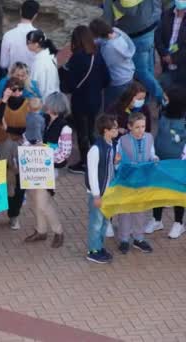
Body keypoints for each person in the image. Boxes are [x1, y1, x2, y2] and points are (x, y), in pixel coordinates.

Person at [23, 93, 72, 248]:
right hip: (36, 167)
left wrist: (44, 153)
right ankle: (41, 230)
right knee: (34, 198)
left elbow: (65, 152)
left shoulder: (65, 128)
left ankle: (58, 231)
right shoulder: (43, 119)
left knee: (43, 202)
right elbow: (30, 137)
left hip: (49, 169)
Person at [60, 26, 110, 174]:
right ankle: (98, 159)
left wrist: (62, 72)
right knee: (93, 132)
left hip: (81, 101)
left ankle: (84, 163)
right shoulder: (97, 54)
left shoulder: (77, 58)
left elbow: (68, 86)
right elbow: (107, 79)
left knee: (82, 133)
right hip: (95, 100)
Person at [103, 0, 165, 104]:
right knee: (148, 67)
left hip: (135, 36)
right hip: (150, 27)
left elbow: (108, 21)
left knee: (141, 72)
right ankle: (148, 99)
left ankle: (162, 98)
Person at [0, 78, 30, 230]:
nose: (17, 92)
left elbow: (29, 128)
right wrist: (5, 100)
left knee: (20, 185)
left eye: (20, 89)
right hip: (1, 148)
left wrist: (8, 129)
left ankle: (14, 215)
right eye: (13, 89)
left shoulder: (28, 105)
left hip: (21, 149)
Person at [115, 113, 156, 254]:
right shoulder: (122, 140)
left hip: (142, 181)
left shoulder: (150, 138)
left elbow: (151, 154)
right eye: (137, 127)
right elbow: (117, 160)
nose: (141, 130)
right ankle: (124, 239)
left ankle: (138, 237)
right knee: (125, 210)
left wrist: (155, 159)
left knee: (139, 210)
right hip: (127, 181)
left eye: (143, 126)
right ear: (129, 127)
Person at [148, 86, 186, 237]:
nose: (164, 100)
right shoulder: (163, 113)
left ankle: (178, 223)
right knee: (158, 190)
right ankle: (157, 220)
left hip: (178, 164)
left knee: (177, 192)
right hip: (160, 161)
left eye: (167, 98)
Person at [85, 114, 119, 264]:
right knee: (96, 222)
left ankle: (99, 247)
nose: (117, 131)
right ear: (106, 130)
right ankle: (93, 250)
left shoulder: (112, 145)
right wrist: (96, 195)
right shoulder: (95, 149)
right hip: (99, 194)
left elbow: (111, 168)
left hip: (108, 192)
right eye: (114, 129)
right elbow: (92, 174)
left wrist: (116, 162)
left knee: (105, 222)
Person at [89, 18, 136, 109]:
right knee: (126, 105)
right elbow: (103, 40)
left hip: (117, 82)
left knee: (111, 108)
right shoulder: (116, 31)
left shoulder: (109, 48)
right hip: (128, 74)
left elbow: (103, 65)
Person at [0, 0, 40, 70]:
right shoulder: (41, 36)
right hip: (32, 78)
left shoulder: (8, 35)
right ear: (35, 15)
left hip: (13, 78)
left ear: (20, 11)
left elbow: (3, 64)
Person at [155, 0, 186, 88]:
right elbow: (158, 36)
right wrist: (164, 54)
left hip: (182, 66)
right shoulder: (166, 13)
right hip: (165, 62)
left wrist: (173, 59)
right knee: (166, 89)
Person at [26, 30, 60, 99]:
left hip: (44, 100)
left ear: (36, 44)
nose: (26, 45)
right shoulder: (50, 55)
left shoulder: (39, 62)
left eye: (28, 42)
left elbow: (35, 86)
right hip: (54, 96)